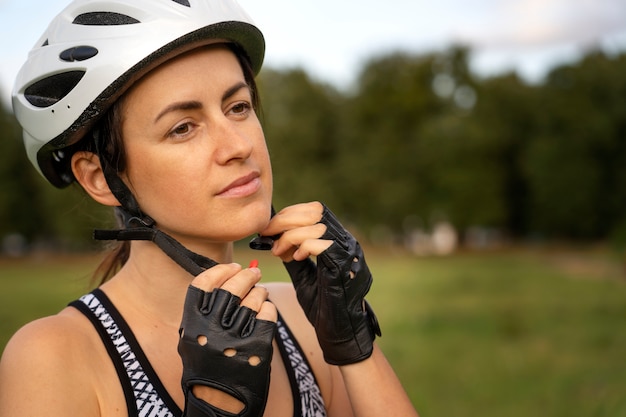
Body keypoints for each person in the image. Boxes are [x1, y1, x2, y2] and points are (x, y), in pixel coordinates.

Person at [0, 1, 419, 416]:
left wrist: (353, 347)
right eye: (182, 128)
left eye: (238, 107)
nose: (239, 146)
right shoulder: (53, 357)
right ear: (99, 177)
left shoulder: (299, 316)